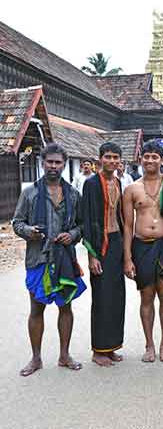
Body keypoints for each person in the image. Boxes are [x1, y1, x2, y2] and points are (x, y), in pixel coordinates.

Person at [12, 143, 86, 377]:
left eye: (58, 162)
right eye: (49, 162)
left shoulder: (73, 194)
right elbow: (16, 222)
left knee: (66, 307)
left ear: (64, 165)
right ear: (42, 163)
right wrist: (29, 231)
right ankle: (36, 358)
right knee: (36, 309)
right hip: (38, 258)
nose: (53, 166)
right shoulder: (30, 193)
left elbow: (82, 225)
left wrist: (72, 235)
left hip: (64, 258)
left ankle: (64, 355)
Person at [123, 140, 163, 363]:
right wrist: (127, 258)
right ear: (141, 160)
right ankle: (149, 344)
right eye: (146, 156)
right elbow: (128, 226)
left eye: (154, 157)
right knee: (146, 296)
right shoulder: (132, 189)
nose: (150, 160)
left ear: (162, 160)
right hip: (142, 247)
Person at [82, 142, 125, 367]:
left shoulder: (118, 182)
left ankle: (112, 346)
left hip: (117, 242)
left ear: (119, 161)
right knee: (101, 297)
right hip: (101, 245)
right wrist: (92, 254)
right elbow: (87, 219)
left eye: (115, 157)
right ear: (100, 159)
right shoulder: (91, 184)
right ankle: (99, 349)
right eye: (107, 157)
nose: (111, 161)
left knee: (116, 296)